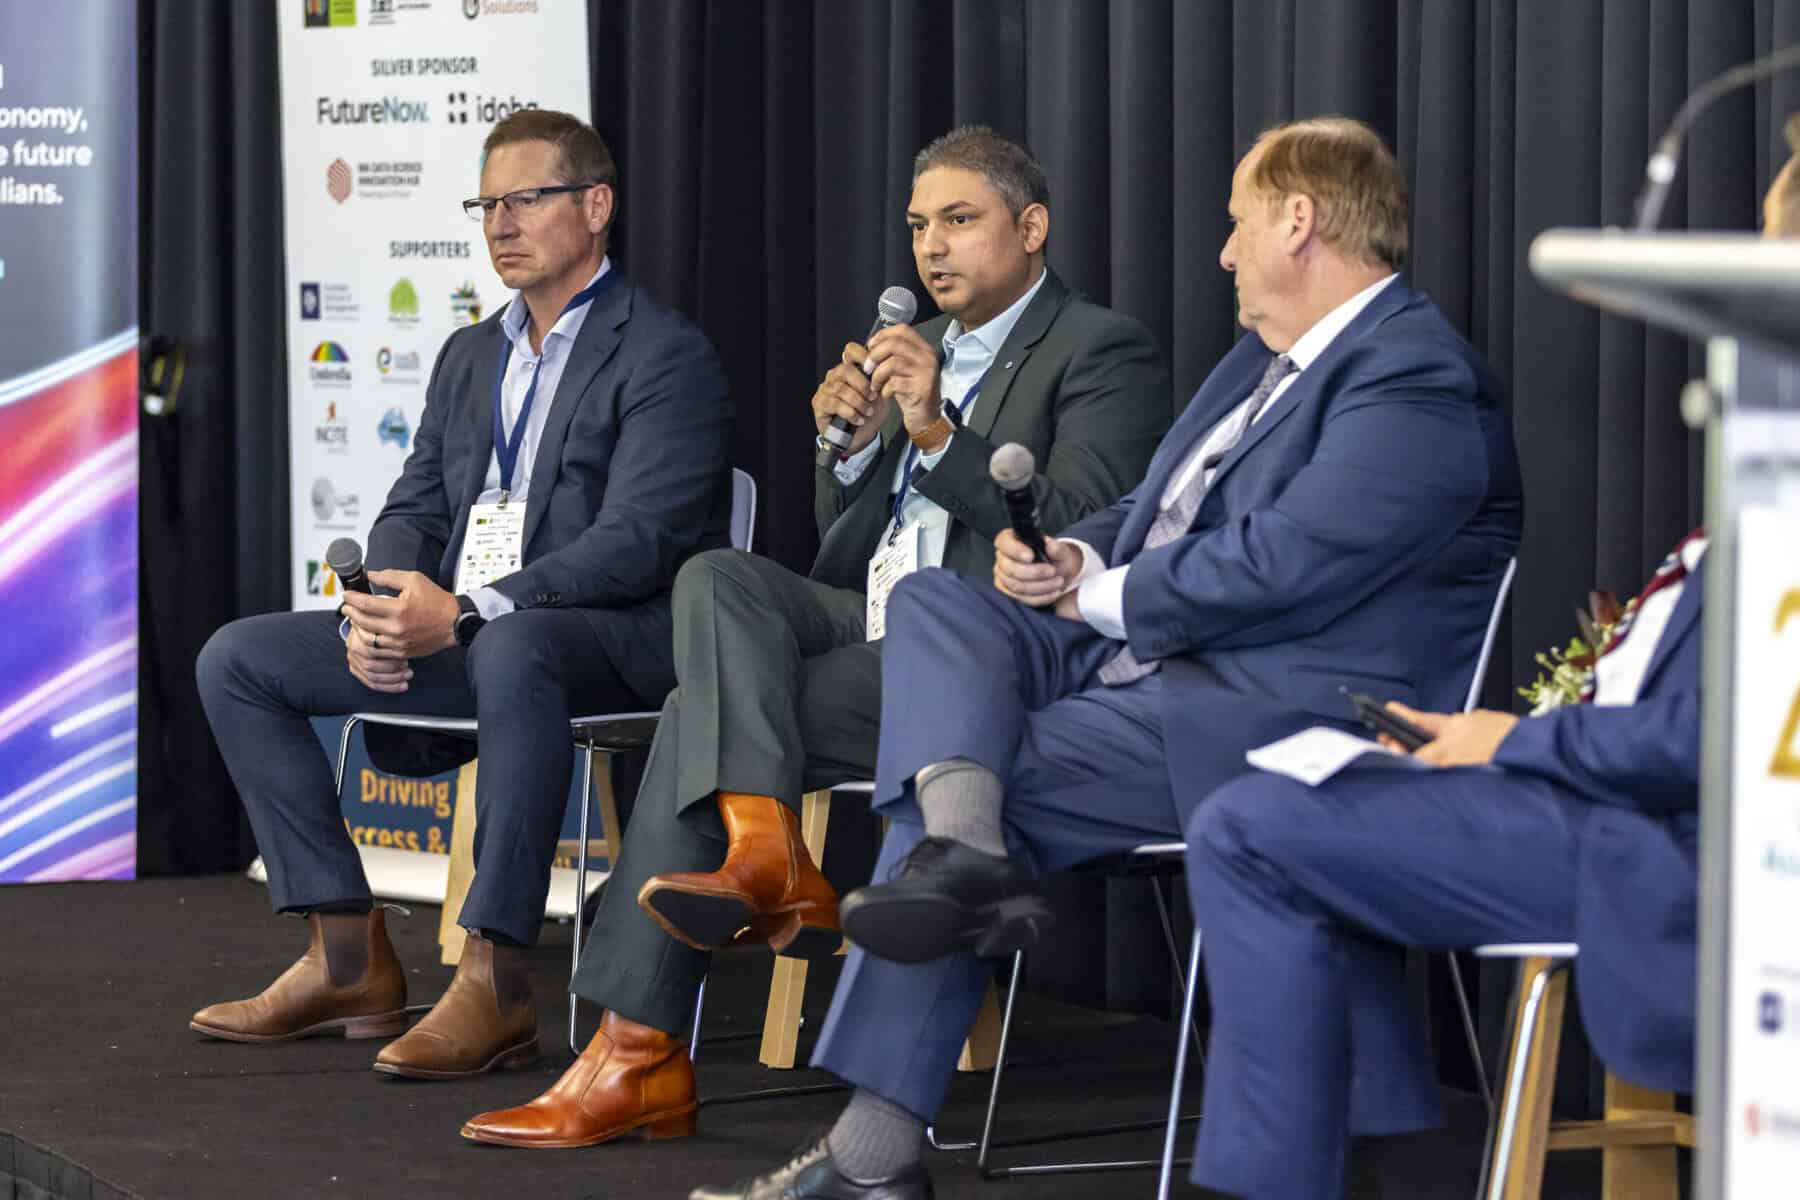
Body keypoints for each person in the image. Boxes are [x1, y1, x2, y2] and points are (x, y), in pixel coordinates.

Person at [700, 115, 1524, 1199]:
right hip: (1140, 665)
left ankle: (877, 1148)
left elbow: (1285, 563)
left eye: (1236, 228)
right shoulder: (1257, 364)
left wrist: (1097, 592)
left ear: (1300, 220)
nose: (1223, 254)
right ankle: (962, 855)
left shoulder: (1415, 379)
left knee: (974, 773)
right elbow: (1158, 503)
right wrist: (1075, 549)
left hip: (1263, 712)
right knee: (949, 608)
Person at [457, 125, 1171, 1149]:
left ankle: (634, 1051)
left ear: (1032, 227)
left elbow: (1070, 527)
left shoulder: (1099, 348)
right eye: (921, 225)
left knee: (695, 710)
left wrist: (933, 431)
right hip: (865, 611)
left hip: (980, 646)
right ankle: (764, 851)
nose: (933, 248)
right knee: (718, 578)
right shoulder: (914, 345)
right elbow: (851, 535)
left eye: (961, 221)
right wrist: (849, 450)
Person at [1167, 123, 1800, 1200]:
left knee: (1253, 827)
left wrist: (1517, 737)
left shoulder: (1412, 374)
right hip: (1594, 786)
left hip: (1659, 837)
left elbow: (1728, 739)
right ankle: (1385, 1155)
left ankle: (1327, 1170)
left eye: (1775, 234)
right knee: (1296, 790)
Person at [190, 109, 733, 1081]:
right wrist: (386, 603)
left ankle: (498, 977)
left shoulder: (663, 354)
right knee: (240, 659)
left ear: (595, 205)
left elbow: (638, 542)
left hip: (612, 639)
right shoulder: (469, 355)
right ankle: (347, 955)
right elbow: (419, 504)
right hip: (475, 642)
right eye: (487, 205)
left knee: (513, 646)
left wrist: (479, 608)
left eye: (526, 199)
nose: (500, 224)